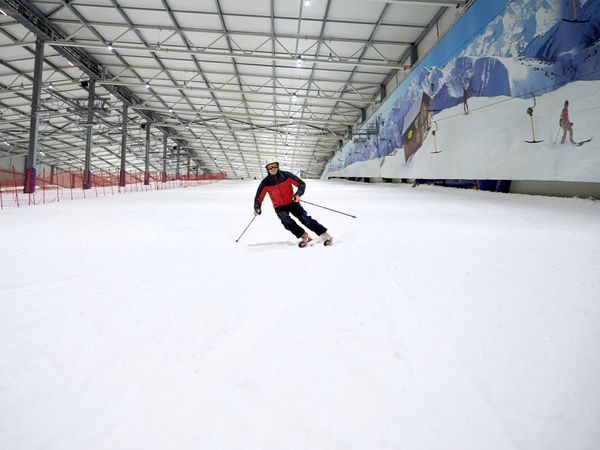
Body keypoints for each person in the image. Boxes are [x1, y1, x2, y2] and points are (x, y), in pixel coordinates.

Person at [253, 161, 332, 247]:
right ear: (267, 169)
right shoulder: (265, 182)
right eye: (270, 167)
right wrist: (257, 207)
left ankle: (324, 234)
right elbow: (258, 197)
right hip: (279, 207)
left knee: (305, 219)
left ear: (278, 166)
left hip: (292, 202)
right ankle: (304, 236)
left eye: (274, 166)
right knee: (286, 221)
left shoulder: (286, 175)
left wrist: (297, 194)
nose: (272, 168)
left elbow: (301, 183)